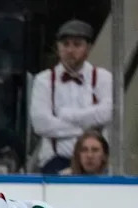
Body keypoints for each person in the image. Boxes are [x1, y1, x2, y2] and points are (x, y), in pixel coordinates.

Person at [30, 19, 111, 174]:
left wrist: (66, 115)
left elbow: (106, 113)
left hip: (96, 164)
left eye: (76, 44)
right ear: (58, 47)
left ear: (88, 48)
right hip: (55, 160)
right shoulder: (44, 80)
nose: (70, 50)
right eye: (65, 44)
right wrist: (87, 130)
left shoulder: (103, 77)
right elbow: (41, 124)